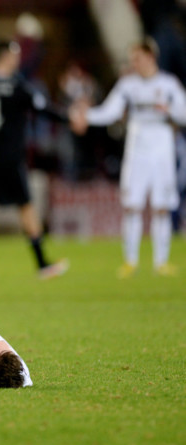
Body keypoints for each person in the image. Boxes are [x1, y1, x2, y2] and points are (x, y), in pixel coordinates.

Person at [71, 39, 186, 278]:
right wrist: (87, 115)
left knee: (161, 207)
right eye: (132, 59)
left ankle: (161, 262)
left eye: (138, 58)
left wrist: (170, 110)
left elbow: (184, 114)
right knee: (132, 205)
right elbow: (110, 111)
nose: (134, 63)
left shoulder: (168, 84)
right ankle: (130, 261)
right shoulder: (127, 85)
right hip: (137, 150)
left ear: (150, 57)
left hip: (162, 149)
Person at [0, 40, 69, 284]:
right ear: (4, 57)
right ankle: (43, 264)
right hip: (9, 157)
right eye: (14, 55)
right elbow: (42, 109)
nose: (17, 60)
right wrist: (68, 118)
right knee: (26, 207)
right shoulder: (16, 86)